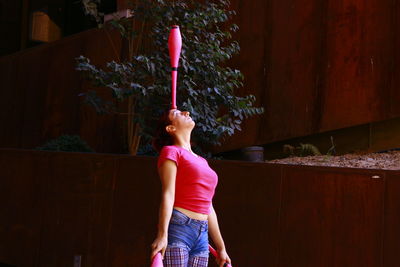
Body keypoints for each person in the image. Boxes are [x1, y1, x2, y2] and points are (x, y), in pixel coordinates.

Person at [150, 108, 232, 267]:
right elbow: (168, 193)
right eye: (178, 114)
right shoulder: (171, 152)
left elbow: (208, 206)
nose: (186, 112)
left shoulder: (202, 161)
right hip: (180, 226)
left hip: (202, 233)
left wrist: (221, 247)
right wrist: (163, 235)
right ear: (171, 128)